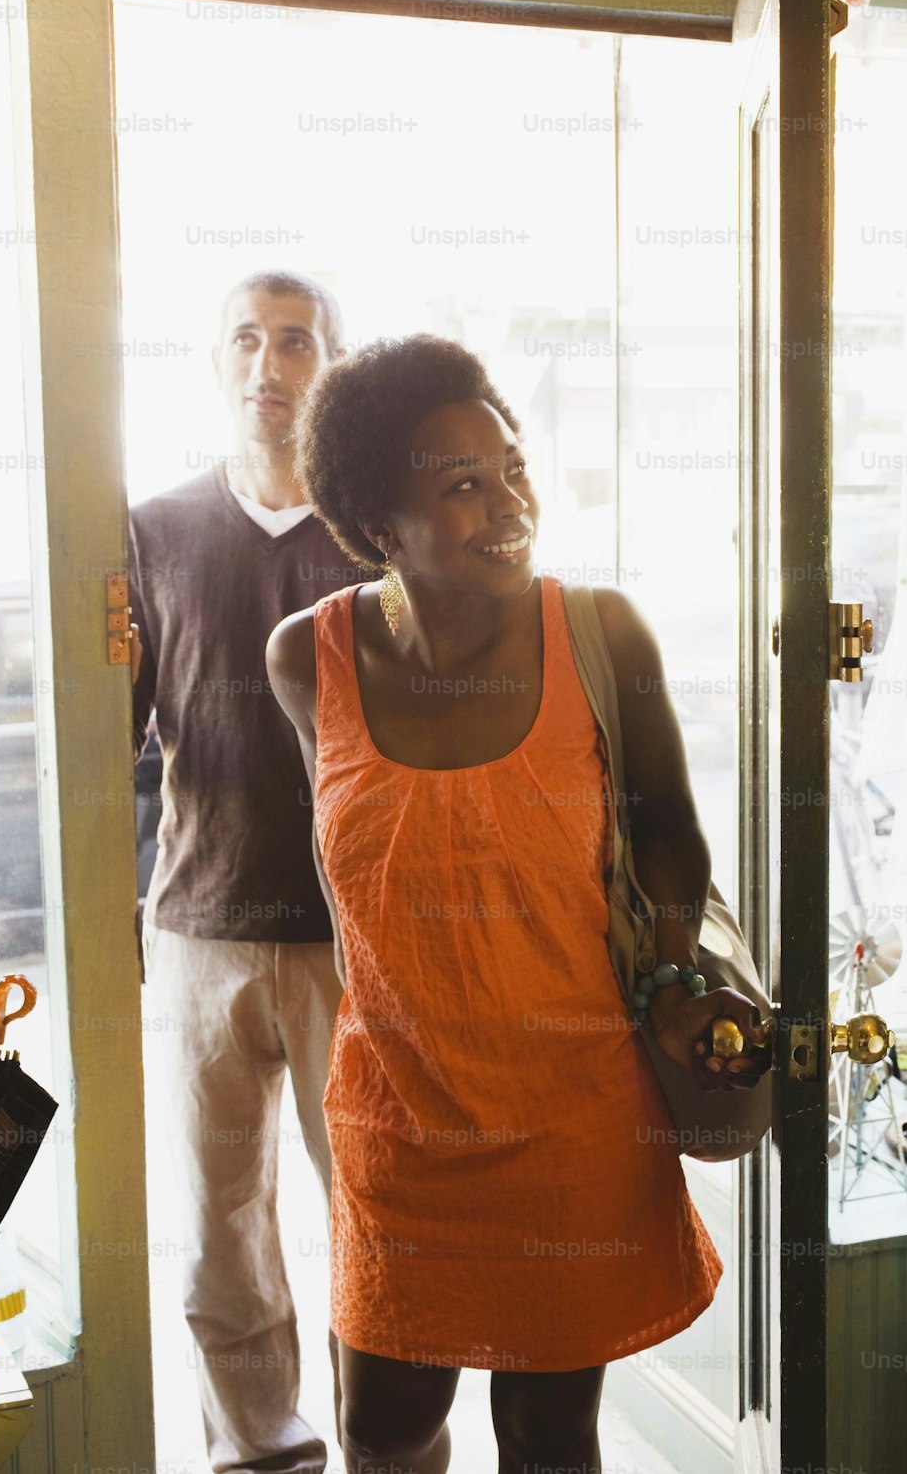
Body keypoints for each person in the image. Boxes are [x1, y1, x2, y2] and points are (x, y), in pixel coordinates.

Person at [266, 334, 769, 1474]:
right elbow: (359, 869)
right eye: (460, 486)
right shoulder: (309, 660)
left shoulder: (599, 633)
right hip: (399, 1124)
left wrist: (680, 975)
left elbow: (671, 836)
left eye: (511, 468)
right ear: (375, 525)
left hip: (572, 1112)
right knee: (381, 1426)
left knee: (547, 1435)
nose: (508, 505)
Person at [130, 270, 357, 1474]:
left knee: (369, 1215)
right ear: (215, 363)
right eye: (245, 341)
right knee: (222, 1230)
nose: (268, 364)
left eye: (295, 342)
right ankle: (261, 1455)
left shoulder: (376, 537)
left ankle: (385, 1437)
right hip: (201, 927)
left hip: (347, 938)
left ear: (330, 365)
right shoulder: (154, 529)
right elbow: (118, 741)